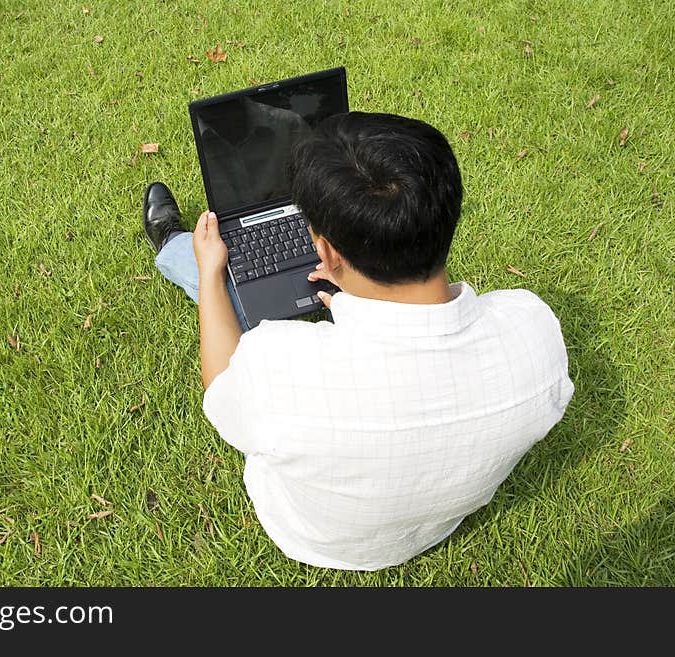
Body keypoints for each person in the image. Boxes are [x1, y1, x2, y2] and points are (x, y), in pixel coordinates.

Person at [141, 111, 574, 571]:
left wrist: (211, 270)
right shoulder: (534, 332)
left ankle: (175, 246)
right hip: (440, 521)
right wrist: (355, 295)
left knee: (218, 280)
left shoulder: (277, 367)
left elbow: (221, 385)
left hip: (311, 534)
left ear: (325, 251)